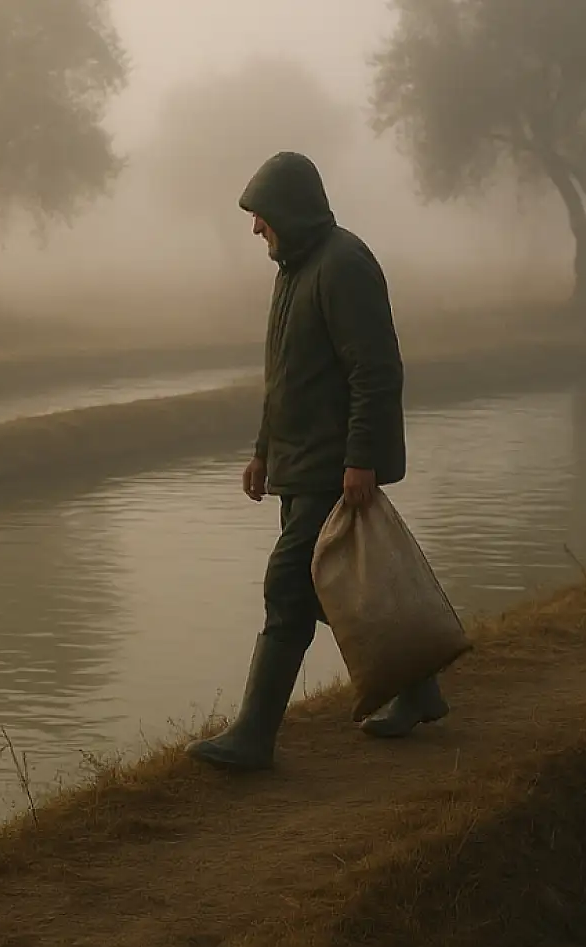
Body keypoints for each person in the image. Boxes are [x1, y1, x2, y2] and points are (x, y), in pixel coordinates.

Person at [185, 151, 446, 773]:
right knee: (331, 589)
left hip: (332, 467)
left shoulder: (345, 265)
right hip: (298, 464)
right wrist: (263, 450)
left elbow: (374, 370)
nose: (256, 228)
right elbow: (286, 374)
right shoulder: (294, 269)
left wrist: (362, 459)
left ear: (290, 211)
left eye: (262, 215)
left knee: (288, 588)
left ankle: (253, 737)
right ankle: (418, 689)